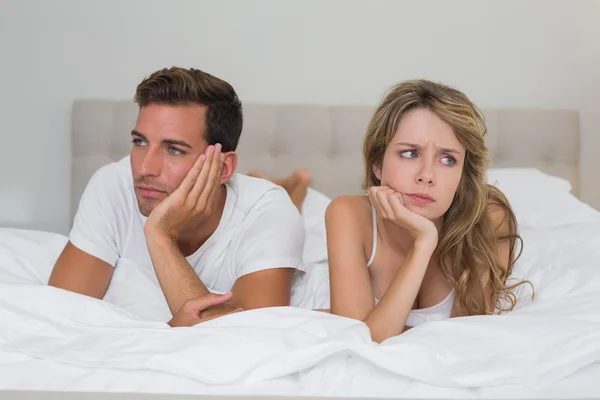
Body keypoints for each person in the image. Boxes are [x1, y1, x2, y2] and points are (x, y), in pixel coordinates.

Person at [48, 66, 307, 327]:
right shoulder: (113, 183)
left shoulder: (269, 210)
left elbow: (253, 338)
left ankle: (295, 188)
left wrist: (160, 235)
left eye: (173, 149)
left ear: (223, 168)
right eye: (140, 142)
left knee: (291, 207)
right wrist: (170, 330)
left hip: (264, 203)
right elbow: (59, 315)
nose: (145, 168)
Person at [325, 79, 531, 343]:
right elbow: (358, 343)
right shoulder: (349, 214)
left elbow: (465, 340)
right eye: (410, 153)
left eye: (448, 160)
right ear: (377, 163)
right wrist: (424, 244)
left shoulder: (488, 217)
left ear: (463, 174)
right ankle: (295, 187)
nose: (427, 176)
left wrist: (424, 239)